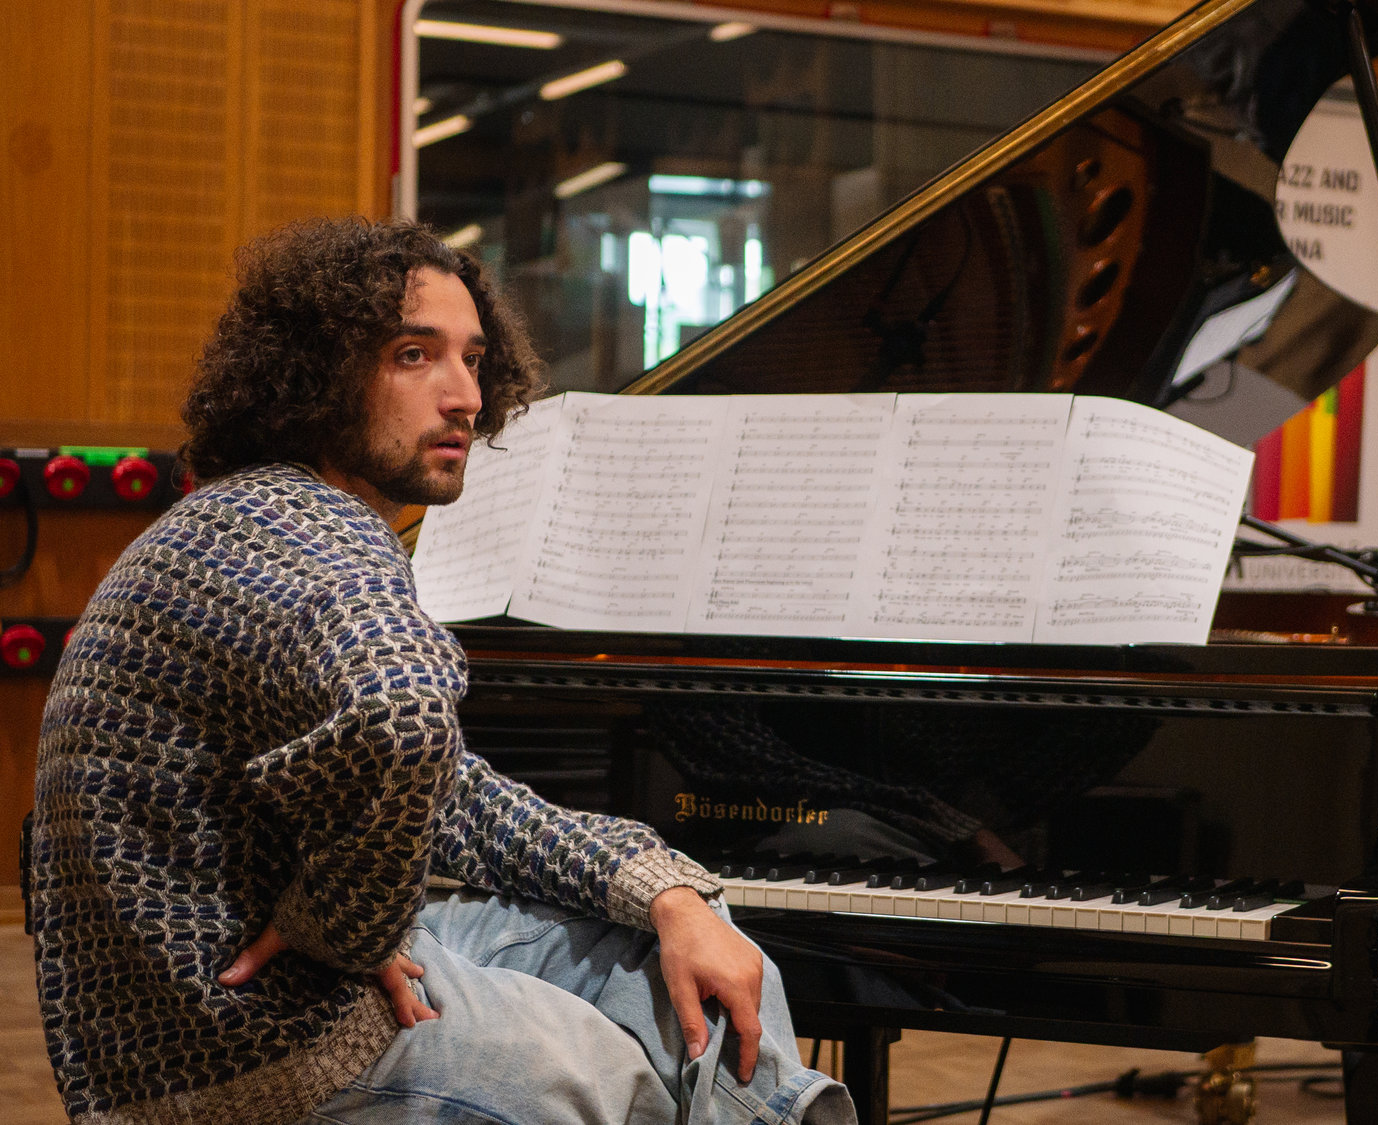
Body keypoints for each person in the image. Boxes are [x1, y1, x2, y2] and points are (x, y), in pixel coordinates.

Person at [29, 217, 855, 1125]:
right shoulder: (314, 532)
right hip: (244, 1046)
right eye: (414, 355)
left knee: (684, 938)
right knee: (621, 1078)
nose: (465, 395)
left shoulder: (251, 521)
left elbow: (448, 794)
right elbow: (406, 718)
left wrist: (659, 885)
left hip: (216, 1007)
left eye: (474, 358)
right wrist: (344, 927)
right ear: (315, 372)